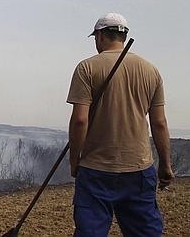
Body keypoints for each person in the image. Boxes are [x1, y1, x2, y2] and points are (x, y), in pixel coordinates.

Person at [67, 13, 173, 237]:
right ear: (123, 36)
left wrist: (75, 160)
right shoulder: (150, 70)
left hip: (95, 168)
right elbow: (159, 123)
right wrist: (165, 164)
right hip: (139, 168)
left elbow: (79, 120)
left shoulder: (86, 68)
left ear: (100, 35)